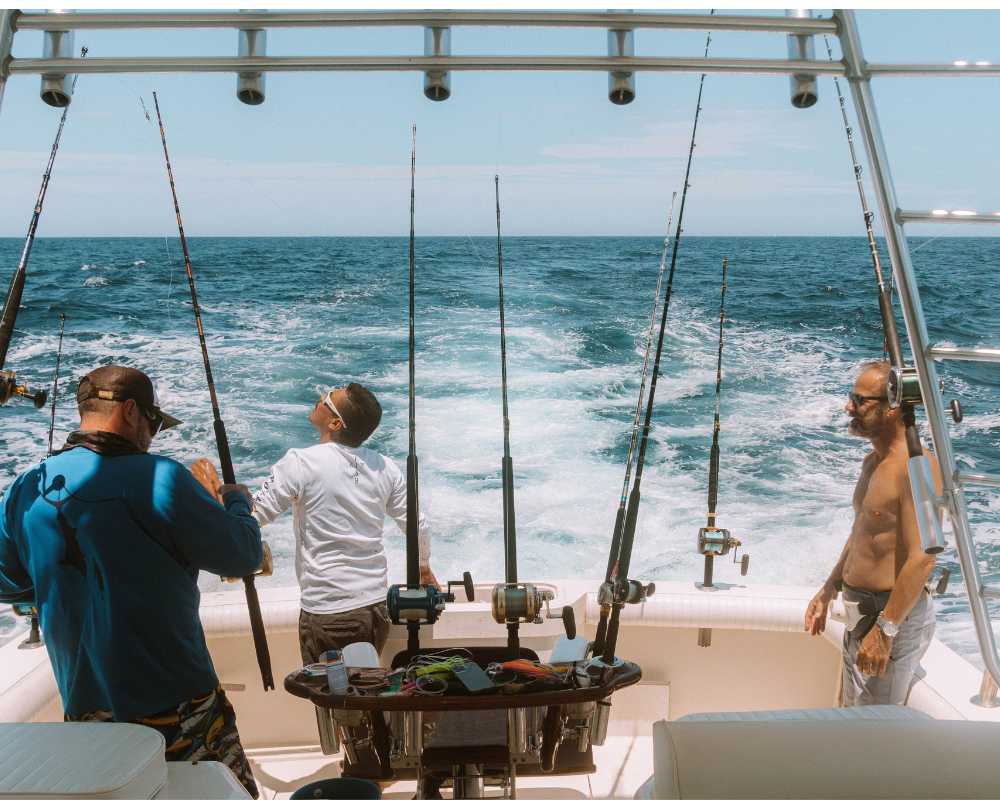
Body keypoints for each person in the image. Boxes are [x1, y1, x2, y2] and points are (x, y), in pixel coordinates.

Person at [0, 365, 263, 798]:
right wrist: (236, 503)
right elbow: (243, 555)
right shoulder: (161, 478)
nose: (154, 434)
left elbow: (9, 582)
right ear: (130, 410)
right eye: (154, 422)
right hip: (177, 704)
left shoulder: (28, 485)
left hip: (86, 711)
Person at [193, 382, 438, 666]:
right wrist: (423, 567)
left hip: (326, 614)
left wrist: (223, 497)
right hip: (374, 609)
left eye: (327, 399)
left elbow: (255, 517)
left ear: (335, 422)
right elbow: (417, 524)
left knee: (331, 704)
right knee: (363, 695)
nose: (320, 398)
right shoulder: (386, 467)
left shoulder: (300, 462)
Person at [805, 361, 940, 706]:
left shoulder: (915, 469)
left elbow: (923, 557)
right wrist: (829, 588)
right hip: (860, 611)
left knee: (870, 731)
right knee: (851, 716)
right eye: (851, 397)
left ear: (892, 408)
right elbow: (862, 532)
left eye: (860, 400)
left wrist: (886, 629)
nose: (848, 407)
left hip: (889, 615)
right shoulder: (872, 462)